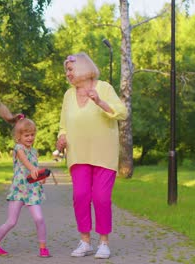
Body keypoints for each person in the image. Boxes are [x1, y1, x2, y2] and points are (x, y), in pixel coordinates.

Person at [56, 52, 127, 259]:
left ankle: (104, 242)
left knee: (101, 197)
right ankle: (85, 241)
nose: (67, 74)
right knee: (80, 197)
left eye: (70, 69)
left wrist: (101, 102)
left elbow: (122, 113)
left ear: (83, 67)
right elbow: (63, 126)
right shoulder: (68, 95)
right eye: (66, 70)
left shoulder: (104, 87)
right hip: (78, 154)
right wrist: (61, 138)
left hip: (104, 154)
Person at [0, 103, 51, 258]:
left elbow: (35, 167)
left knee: (39, 218)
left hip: (32, 189)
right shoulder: (18, 148)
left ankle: (43, 248)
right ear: (18, 137)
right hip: (19, 190)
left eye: (32, 135)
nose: (30, 138)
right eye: (26, 135)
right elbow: (25, 162)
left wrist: (41, 178)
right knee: (11, 221)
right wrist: (32, 170)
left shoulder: (34, 151)